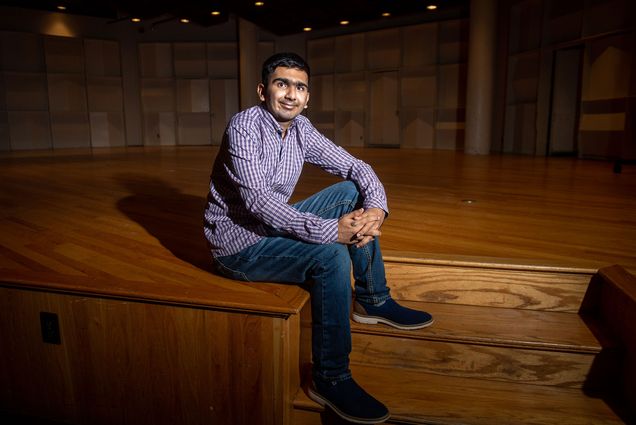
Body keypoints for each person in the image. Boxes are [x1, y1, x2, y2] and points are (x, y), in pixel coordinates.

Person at [204, 52, 433, 424]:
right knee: (331, 256)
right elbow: (259, 202)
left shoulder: (301, 128)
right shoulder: (244, 127)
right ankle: (330, 378)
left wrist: (376, 208)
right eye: (282, 84)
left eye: (299, 87)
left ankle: (373, 300)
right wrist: (331, 231)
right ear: (263, 91)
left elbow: (355, 166)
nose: (291, 94)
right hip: (240, 246)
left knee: (351, 190)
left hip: (273, 227)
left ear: (307, 97)